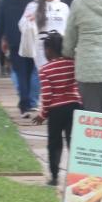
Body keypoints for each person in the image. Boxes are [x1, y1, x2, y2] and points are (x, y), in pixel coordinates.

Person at [33, 32, 82, 186]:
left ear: (48, 50)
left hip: (55, 111)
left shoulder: (45, 69)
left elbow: (47, 95)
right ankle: (77, 177)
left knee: (54, 144)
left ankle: (54, 176)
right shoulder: (73, 63)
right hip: (74, 106)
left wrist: (43, 114)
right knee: (73, 142)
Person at [0, 0, 38, 116]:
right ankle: (30, 101)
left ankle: (24, 103)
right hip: (30, 40)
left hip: (14, 40)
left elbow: (1, 21)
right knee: (30, 71)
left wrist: (0, 39)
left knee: (20, 72)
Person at [20, 0, 69, 69]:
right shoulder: (33, 6)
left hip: (60, 47)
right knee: (45, 75)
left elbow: (68, 28)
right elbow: (22, 25)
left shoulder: (64, 7)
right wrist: (31, 21)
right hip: (42, 48)